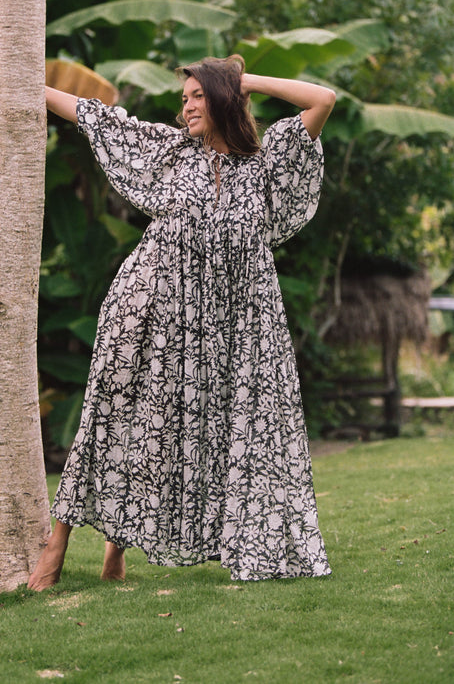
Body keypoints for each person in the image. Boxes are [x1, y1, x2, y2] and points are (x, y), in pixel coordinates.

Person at [22, 55, 336, 590]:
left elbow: (322, 99)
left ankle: (115, 546)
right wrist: (23, 83)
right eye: (184, 97)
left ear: (224, 99)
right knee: (111, 410)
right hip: (147, 303)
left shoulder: (267, 166)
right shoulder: (170, 152)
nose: (186, 106)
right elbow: (94, 116)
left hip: (224, 326)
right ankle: (58, 541)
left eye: (197, 96)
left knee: (166, 431)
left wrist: (243, 81)